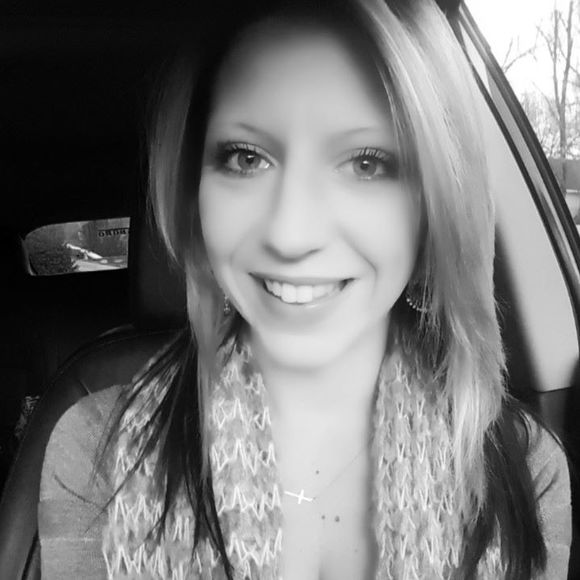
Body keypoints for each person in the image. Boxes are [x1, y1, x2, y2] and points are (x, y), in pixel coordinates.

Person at [38, 0, 572, 578]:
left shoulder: (526, 471)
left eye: (366, 164)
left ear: (436, 207)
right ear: (194, 192)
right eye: (246, 158)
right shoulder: (93, 455)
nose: (291, 235)